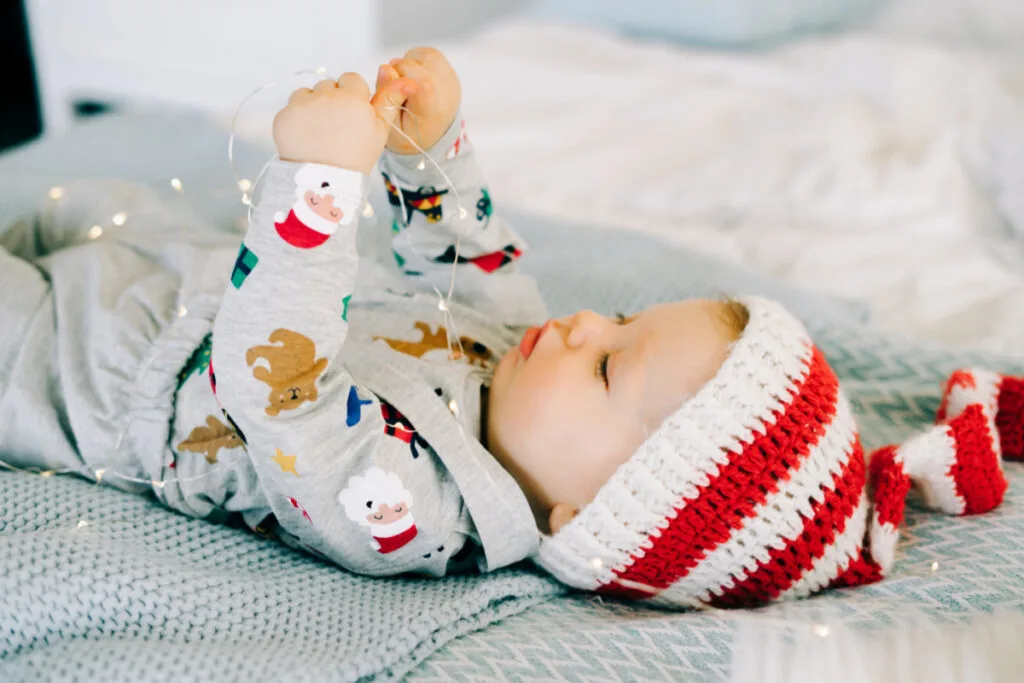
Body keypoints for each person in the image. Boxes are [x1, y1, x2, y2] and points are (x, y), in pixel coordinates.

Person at [1, 48, 1021, 608]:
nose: (582, 322)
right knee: (56, 194)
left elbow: (278, 391)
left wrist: (318, 187)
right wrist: (427, 144)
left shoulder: (413, 512)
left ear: (586, 514)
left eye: (611, 366)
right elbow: (466, 261)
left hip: (82, 372)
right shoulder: (521, 378)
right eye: (618, 319)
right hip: (166, 268)